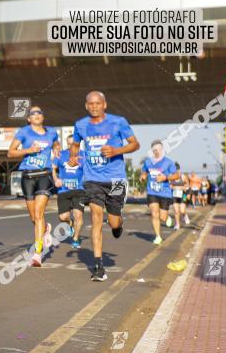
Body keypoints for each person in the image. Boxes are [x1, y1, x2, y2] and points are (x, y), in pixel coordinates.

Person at [69, 91, 140, 282]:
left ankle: (118, 225)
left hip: (116, 180)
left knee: (114, 221)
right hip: (93, 180)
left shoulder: (118, 122)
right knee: (96, 216)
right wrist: (73, 157)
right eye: (90, 103)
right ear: (86, 106)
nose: (94, 106)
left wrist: (117, 150)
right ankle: (98, 266)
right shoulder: (80, 125)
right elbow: (75, 145)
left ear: (104, 105)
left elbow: (135, 144)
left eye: (97, 103)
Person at [8, 106, 58, 267]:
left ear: (43, 116)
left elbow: (56, 144)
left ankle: (37, 253)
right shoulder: (23, 132)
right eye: (33, 113)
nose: (36, 115)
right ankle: (45, 229)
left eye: (39, 112)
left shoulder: (51, 132)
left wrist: (56, 149)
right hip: (27, 176)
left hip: (44, 175)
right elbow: (11, 152)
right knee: (33, 218)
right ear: (29, 119)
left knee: (38, 214)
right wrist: (29, 150)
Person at [140, 140, 178, 245]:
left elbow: (176, 175)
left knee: (162, 217)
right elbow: (144, 171)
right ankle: (158, 236)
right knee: (154, 213)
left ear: (162, 150)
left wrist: (165, 177)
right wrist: (143, 176)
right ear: (152, 151)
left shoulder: (168, 162)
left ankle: (167, 217)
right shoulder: (148, 162)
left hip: (165, 192)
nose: (157, 152)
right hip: (152, 191)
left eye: (158, 149)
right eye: (154, 150)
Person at [53, 135, 84, 249]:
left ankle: (75, 239)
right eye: (69, 144)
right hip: (63, 190)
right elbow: (53, 168)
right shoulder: (61, 154)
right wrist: (56, 179)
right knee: (62, 217)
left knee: (78, 215)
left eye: (73, 144)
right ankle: (70, 224)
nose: (71, 146)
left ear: (78, 144)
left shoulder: (83, 156)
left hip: (79, 190)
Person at [171, 163, 189, 228]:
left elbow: (187, 186)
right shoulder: (171, 177)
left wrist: (183, 188)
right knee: (176, 210)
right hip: (174, 194)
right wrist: (174, 187)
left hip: (183, 195)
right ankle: (177, 224)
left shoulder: (183, 177)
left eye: (176, 170)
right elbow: (170, 186)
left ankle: (185, 215)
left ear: (179, 170)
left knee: (182, 210)